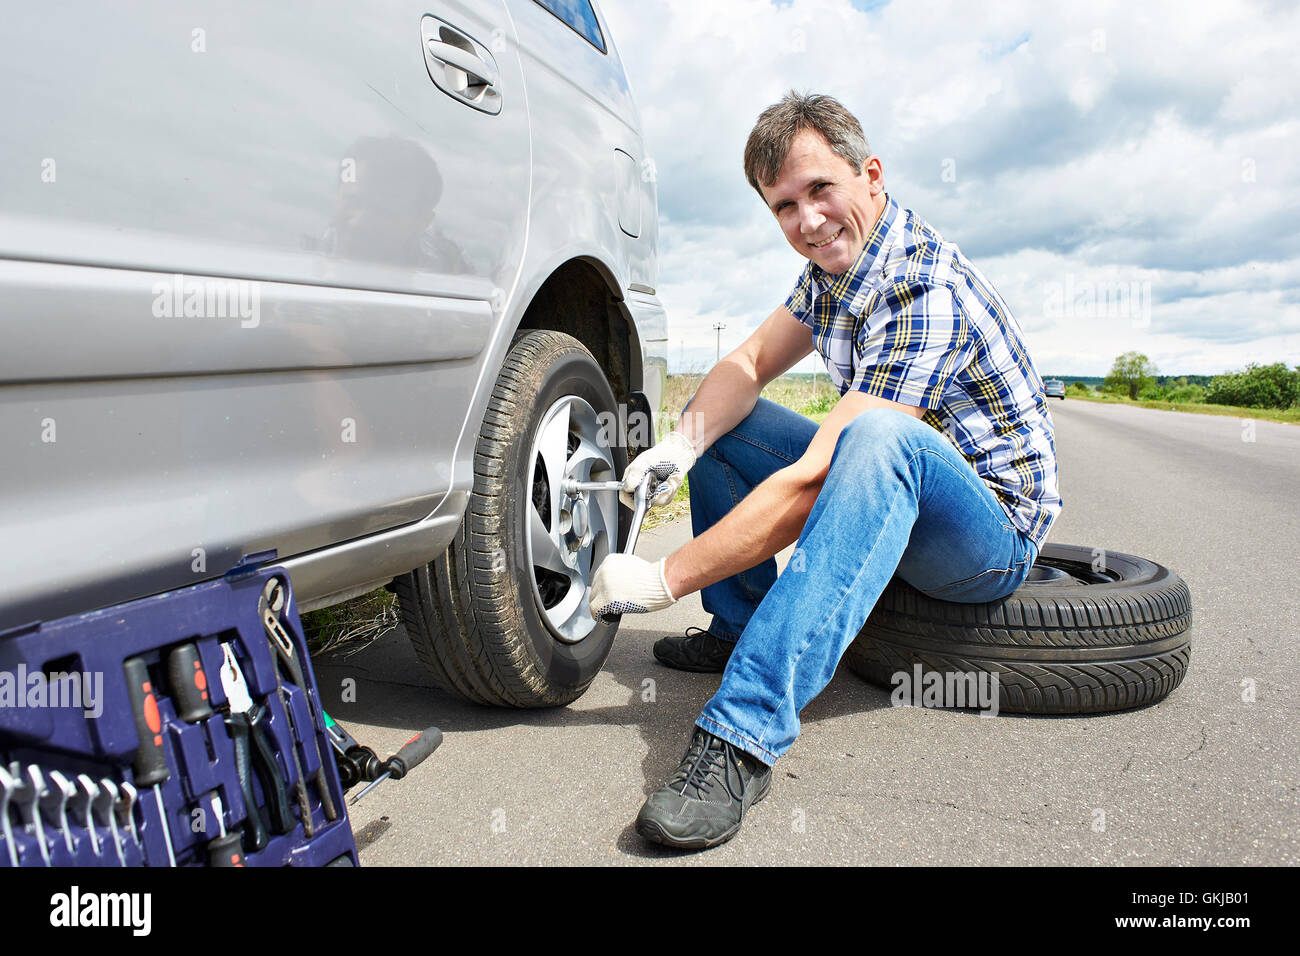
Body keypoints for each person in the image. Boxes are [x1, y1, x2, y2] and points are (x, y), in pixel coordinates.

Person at [588, 91, 1062, 850]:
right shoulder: (832, 270)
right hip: (892, 499)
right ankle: (737, 622)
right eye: (784, 206)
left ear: (869, 174)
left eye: (821, 190)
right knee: (722, 418)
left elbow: (817, 478)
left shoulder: (920, 285)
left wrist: (662, 576)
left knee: (876, 439)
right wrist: (681, 447)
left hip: (987, 537)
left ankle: (742, 737)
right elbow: (746, 362)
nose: (807, 221)